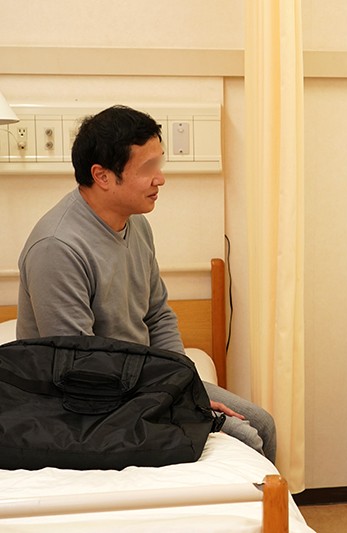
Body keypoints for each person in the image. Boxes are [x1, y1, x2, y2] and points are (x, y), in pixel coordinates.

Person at [16, 105, 277, 463]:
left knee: (263, 423)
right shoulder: (57, 248)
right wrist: (170, 395)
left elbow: (157, 315)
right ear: (102, 176)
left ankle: (273, 503)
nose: (161, 179)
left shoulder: (136, 224)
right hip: (82, 399)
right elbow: (79, 366)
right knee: (246, 436)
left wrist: (182, 383)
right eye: (148, 168)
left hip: (142, 382)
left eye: (160, 164)